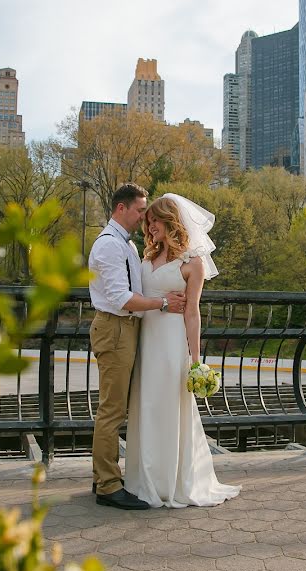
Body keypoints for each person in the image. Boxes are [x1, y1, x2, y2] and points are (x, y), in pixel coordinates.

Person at [124, 193, 241, 508]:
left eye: (154, 221)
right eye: (147, 222)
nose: (149, 228)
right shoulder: (147, 258)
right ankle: (142, 477)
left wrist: (195, 360)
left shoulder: (193, 264)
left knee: (169, 407)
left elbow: (193, 313)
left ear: (170, 221)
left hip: (172, 344)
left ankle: (173, 480)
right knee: (146, 406)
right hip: (146, 341)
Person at [87, 183, 186, 510]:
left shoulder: (124, 244)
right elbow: (121, 298)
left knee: (116, 407)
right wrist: (163, 304)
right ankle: (108, 486)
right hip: (115, 328)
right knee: (112, 409)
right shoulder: (109, 246)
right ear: (121, 208)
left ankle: (104, 476)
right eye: (140, 210)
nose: (144, 215)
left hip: (126, 329)